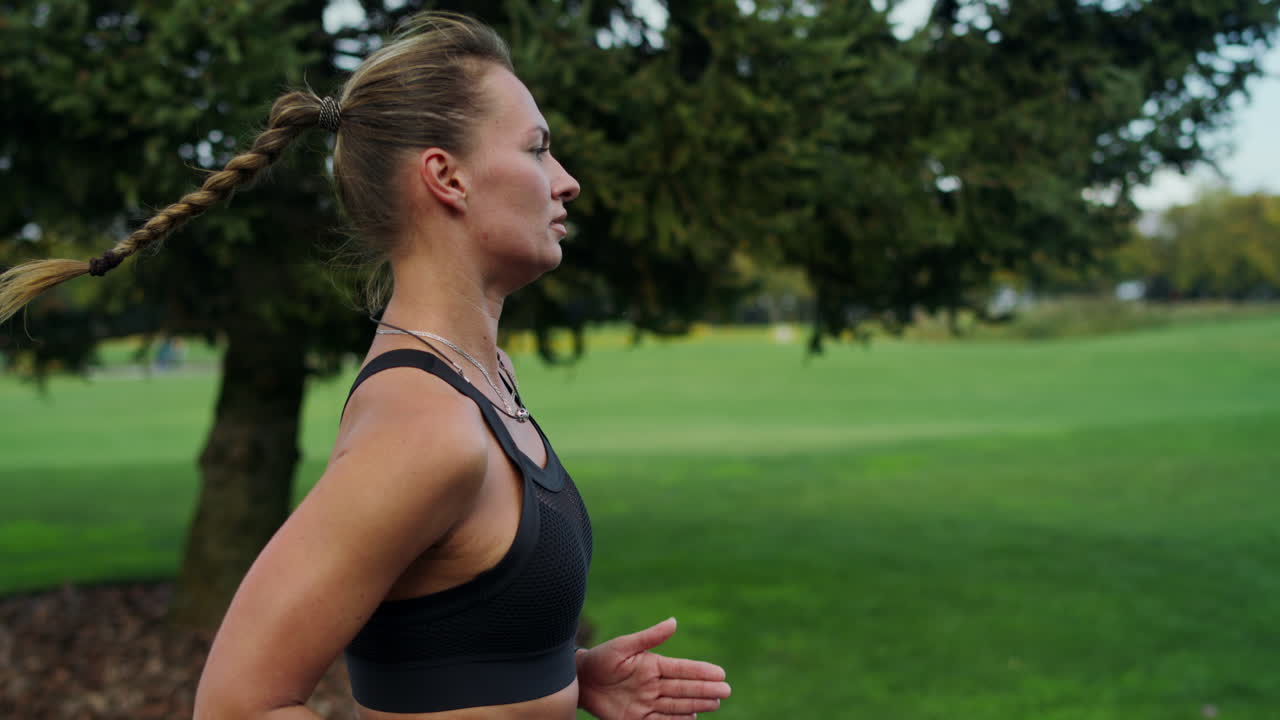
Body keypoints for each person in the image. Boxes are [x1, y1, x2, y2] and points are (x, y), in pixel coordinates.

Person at [0, 11, 731, 720]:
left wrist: (561, 679)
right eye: (538, 149)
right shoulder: (426, 429)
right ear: (448, 178)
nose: (565, 180)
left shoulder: (483, 380)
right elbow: (235, 704)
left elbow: (441, 636)